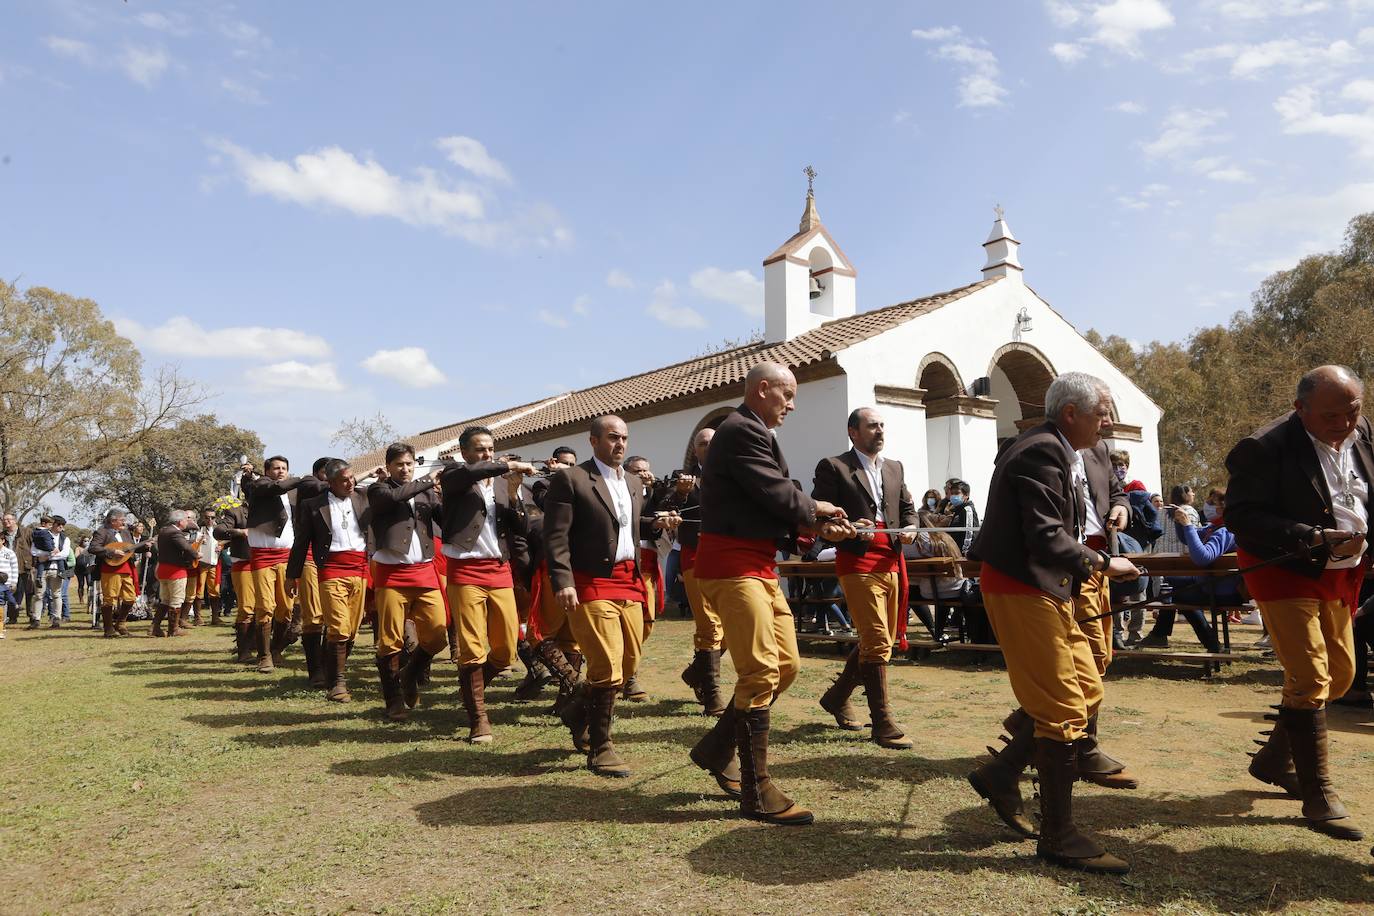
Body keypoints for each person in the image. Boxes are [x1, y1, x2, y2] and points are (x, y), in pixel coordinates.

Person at [966, 371, 1141, 875]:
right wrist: (1105, 563)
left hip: (1047, 585)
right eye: (1102, 412)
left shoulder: (1060, 448)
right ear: (1071, 414)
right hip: (1023, 587)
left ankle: (1002, 773)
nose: (1108, 422)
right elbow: (1045, 534)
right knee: (1063, 703)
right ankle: (1058, 835)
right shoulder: (1040, 452)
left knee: (1086, 688)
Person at [687, 362, 849, 826]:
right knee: (760, 671)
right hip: (733, 567)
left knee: (784, 666)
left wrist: (816, 525)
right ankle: (756, 791)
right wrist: (815, 508)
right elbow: (775, 490)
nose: (793, 405)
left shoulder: (751, 429)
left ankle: (718, 748)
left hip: (757, 565)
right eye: (788, 394)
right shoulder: (739, 429)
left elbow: (767, 499)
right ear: (763, 389)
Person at [1225, 364, 1368, 844]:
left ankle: (1274, 758)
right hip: (1284, 566)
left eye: (1353, 411)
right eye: (1331, 416)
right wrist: (1312, 536)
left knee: (1341, 676)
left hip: (1344, 572)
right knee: (1310, 677)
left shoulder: (1363, 431)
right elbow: (1242, 516)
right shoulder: (1262, 448)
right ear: (1299, 409)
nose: (1345, 424)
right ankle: (1318, 794)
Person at [545, 416, 673, 776]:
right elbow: (556, 535)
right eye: (613, 437)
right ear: (594, 441)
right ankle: (601, 747)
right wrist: (563, 580)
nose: (620, 444)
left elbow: (623, 526)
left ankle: (575, 710)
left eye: (625, 438)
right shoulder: (570, 479)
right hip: (590, 581)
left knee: (629, 664)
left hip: (629, 579)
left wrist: (656, 523)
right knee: (607, 665)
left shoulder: (633, 482)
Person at [812, 407, 919, 750]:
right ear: (853, 432)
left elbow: (907, 509)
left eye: (882, 425)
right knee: (875, 641)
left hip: (891, 561)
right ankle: (883, 723)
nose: (880, 431)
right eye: (872, 425)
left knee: (882, 641)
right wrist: (847, 529)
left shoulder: (894, 467)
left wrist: (912, 528)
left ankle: (837, 696)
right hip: (857, 561)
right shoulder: (834, 466)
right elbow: (821, 515)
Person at [436, 428, 535, 742]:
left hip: (499, 570)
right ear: (465, 453)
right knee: (472, 648)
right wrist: (509, 466)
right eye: (480, 449)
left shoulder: (503, 484)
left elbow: (521, 527)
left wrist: (516, 492)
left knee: (506, 651)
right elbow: (475, 472)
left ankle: (470, 688)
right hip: (465, 571)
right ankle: (478, 718)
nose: (487, 455)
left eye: (491, 449)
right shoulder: (454, 475)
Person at [367, 443, 446, 722]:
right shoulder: (378, 490)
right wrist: (427, 480)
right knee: (389, 641)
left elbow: (443, 520)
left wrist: (449, 495)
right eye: (399, 464)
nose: (405, 469)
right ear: (388, 466)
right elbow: (393, 499)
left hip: (424, 571)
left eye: (409, 464)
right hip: (391, 574)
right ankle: (393, 699)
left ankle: (410, 673)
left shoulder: (425, 490)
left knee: (438, 635)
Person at [288, 459, 372, 703]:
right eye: (344, 479)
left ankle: (331, 670)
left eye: (352, 478)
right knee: (338, 626)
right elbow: (301, 541)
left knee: (352, 629)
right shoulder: (313, 505)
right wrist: (292, 575)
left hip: (360, 569)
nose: (351, 483)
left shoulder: (364, 498)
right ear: (330, 481)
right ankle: (337, 684)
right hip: (331, 570)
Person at [666, 428, 730, 716]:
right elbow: (665, 508)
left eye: (714, 441)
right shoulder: (683, 477)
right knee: (710, 625)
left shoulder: (733, 473)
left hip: (729, 556)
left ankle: (696, 671)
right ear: (695, 447)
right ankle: (712, 693)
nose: (709, 446)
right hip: (695, 556)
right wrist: (680, 493)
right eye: (703, 442)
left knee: (732, 625)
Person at [241, 457, 306, 673]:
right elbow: (274, 486)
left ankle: (276, 649)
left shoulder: (293, 493)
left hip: (287, 556)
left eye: (284, 469)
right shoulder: (260, 485)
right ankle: (264, 656)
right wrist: (301, 479)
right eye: (276, 468)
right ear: (267, 471)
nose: (281, 472)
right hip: (262, 557)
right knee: (265, 606)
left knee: (286, 608)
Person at [1137, 507, 1227, 652]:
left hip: (1221, 590)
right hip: (1209, 584)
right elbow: (1187, 537)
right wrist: (1180, 523)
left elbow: (1202, 558)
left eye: (1212, 503)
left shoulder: (1224, 531)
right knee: (1171, 584)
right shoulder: (1213, 528)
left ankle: (1161, 634)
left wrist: (1187, 524)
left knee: (1175, 593)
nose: (1208, 507)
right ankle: (1160, 634)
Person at [88, 510, 152, 638]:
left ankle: (120, 623)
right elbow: (93, 548)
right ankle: (108, 628)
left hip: (127, 568)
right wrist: (112, 552)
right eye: (122, 520)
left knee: (130, 598)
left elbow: (131, 547)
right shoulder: (102, 531)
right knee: (109, 599)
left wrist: (145, 546)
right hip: (110, 569)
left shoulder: (125, 532)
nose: (124, 522)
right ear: (113, 521)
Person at [214, 497, 256, 663]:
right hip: (244, 563)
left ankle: (260, 647)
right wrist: (239, 532)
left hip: (269, 563)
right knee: (246, 607)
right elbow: (219, 531)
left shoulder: (272, 509)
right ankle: (244, 650)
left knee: (266, 607)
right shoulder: (236, 512)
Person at [154, 510, 200, 638]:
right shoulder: (175, 533)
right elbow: (186, 547)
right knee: (176, 600)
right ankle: (173, 629)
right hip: (175, 571)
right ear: (180, 522)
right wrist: (196, 555)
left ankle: (155, 626)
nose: (187, 522)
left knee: (165, 600)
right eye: (185, 520)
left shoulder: (163, 531)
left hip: (163, 569)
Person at [191, 508, 225, 627]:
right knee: (199, 591)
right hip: (202, 564)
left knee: (215, 591)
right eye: (207, 517)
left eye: (212, 517)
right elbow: (193, 544)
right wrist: (200, 541)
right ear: (203, 518)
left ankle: (215, 617)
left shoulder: (219, 530)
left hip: (214, 564)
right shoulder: (199, 530)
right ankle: (197, 617)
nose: (210, 519)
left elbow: (225, 542)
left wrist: (222, 547)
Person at [1, 513, 34, 626]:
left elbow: (34, 547)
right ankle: (12, 617)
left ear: (15, 520)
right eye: (4, 520)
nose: (6, 522)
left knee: (30, 592)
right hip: (8, 569)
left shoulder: (27, 532)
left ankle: (32, 616)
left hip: (26, 567)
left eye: (8, 519)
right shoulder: (2, 535)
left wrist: (34, 563)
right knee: (10, 592)